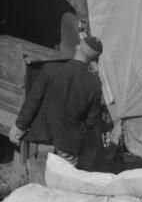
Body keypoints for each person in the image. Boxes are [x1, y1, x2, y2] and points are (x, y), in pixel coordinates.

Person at [9, 36, 104, 184]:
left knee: (39, 193)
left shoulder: (51, 70)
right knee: (59, 197)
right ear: (94, 59)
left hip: (42, 144)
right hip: (68, 149)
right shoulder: (94, 85)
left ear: (78, 47)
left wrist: (19, 128)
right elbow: (92, 123)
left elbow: (32, 103)